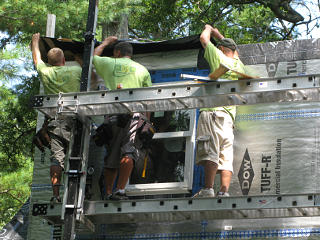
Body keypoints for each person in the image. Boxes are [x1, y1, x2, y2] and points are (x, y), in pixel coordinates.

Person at [93, 36, 152, 200]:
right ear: (130, 54)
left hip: (113, 114)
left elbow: (94, 57)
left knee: (112, 154)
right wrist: (147, 123)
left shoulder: (110, 63)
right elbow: (149, 100)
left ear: (117, 52)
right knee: (129, 151)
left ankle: (109, 192)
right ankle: (121, 190)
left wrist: (104, 43)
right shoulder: (142, 70)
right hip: (135, 115)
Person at [194, 25, 246, 198]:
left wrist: (208, 29)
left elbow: (203, 39)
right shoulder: (238, 64)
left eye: (219, 48)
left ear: (222, 49)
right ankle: (224, 192)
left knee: (210, 150)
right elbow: (234, 49)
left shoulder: (219, 56)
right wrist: (218, 34)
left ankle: (208, 189)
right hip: (228, 118)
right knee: (225, 156)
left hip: (213, 112)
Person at [31, 33, 82, 203]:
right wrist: (78, 57)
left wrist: (35, 41)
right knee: (78, 155)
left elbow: (37, 59)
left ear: (50, 62)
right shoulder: (75, 70)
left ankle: (56, 195)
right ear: (64, 61)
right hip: (74, 119)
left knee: (57, 158)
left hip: (56, 120)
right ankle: (77, 193)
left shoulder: (45, 72)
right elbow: (89, 70)